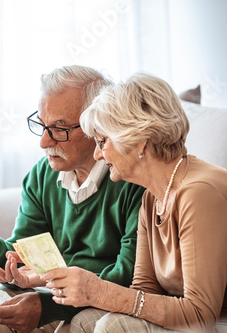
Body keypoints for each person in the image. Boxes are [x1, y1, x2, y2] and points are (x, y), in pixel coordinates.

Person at [0, 65, 146, 333]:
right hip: (58, 296)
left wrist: (47, 306)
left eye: (59, 129)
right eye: (41, 125)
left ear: (97, 124)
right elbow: (22, 262)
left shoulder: (131, 179)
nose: (44, 142)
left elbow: (128, 275)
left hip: (105, 300)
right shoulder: (42, 175)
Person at [41, 73, 227, 332]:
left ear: (138, 140)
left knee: (113, 325)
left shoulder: (198, 193)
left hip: (215, 322)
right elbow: (143, 290)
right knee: (84, 322)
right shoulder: (152, 197)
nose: (97, 154)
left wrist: (101, 292)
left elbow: (200, 313)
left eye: (103, 141)